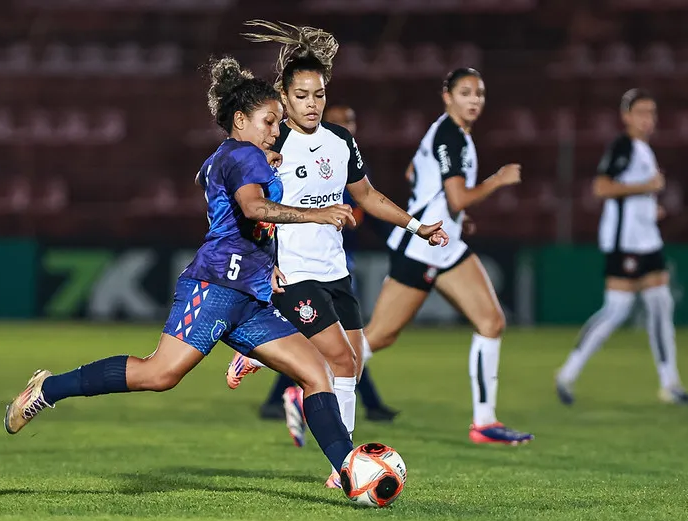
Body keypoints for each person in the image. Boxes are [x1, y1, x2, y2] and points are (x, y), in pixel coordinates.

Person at [3, 57, 362, 482]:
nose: (275, 130)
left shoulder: (235, 156)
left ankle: (350, 470)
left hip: (250, 297)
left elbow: (228, 201)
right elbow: (253, 209)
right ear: (240, 120)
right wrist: (316, 214)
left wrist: (267, 257)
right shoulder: (243, 154)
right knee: (159, 374)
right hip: (214, 287)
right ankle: (48, 389)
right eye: (268, 121)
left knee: (316, 373)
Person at [224, 20, 449, 487]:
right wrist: (263, 265)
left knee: (352, 364)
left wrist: (417, 226)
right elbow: (248, 208)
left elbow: (366, 196)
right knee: (341, 361)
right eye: (301, 95)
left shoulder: (340, 141)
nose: (312, 103)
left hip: (334, 270)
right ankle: (345, 464)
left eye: (319, 94)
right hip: (292, 272)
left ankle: (265, 359)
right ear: (284, 98)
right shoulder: (270, 145)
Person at [359, 68, 533, 445]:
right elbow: (456, 197)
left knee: (491, 321)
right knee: (380, 335)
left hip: (445, 245)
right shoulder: (451, 136)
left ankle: (484, 423)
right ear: (447, 96)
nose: (474, 100)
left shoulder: (449, 133)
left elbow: (414, 172)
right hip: (422, 249)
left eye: (479, 93)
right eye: (465, 92)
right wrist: (497, 180)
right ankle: (311, 387)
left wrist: (453, 216)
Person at [257, 104, 400, 423]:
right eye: (340, 121)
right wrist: (268, 258)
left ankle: (287, 393)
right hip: (301, 264)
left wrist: (398, 236)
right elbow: (265, 208)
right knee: (333, 344)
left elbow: (368, 204)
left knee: (336, 345)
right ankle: (274, 377)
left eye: (350, 120)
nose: (347, 125)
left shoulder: (346, 156)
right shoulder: (289, 154)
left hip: (337, 263)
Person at [556, 88, 686, 405]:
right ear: (626, 116)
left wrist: (649, 207)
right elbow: (601, 187)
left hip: (647, 239)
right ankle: (568, 373)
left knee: (661, 305)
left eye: (651, 113)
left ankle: (669, 382)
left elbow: (630, 193)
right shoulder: (623, 146)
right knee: (618, 309)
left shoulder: (643, 149)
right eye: (641, 112)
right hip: (625, 242)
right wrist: (647, 187)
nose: (647, 119)